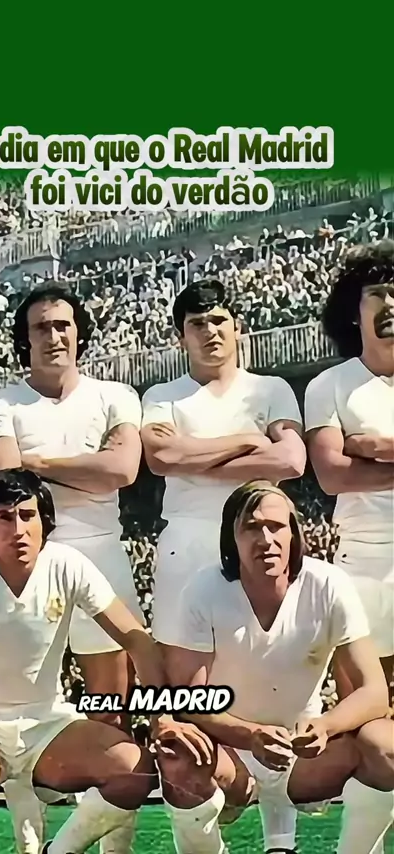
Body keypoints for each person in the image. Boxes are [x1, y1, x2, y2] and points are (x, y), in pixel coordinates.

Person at [0, 468, 210, 854]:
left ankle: (60, 850)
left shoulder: (67, 564)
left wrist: (163, 717)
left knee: (134, 771)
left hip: (47, 726)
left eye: (27, 516)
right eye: (4, 517)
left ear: (45, 522)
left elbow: (137, 640)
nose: (18, 529)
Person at [141, 279, 306, 852]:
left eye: (218, 321)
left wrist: (196, 457)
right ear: (180, 335)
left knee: (271, 668)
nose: (210, 332)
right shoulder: (163, 395)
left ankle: (279, 828)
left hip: (258, 536)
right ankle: (203, 815)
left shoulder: (271, 389)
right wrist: (244, 442)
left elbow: (291, 459)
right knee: (184, 686)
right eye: (196, 324)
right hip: (187, 539)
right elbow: (161, 457)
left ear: (237, 327)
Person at [0, 284, 145, 854]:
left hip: (102, 555)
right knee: (21, 717)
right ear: (24, 339)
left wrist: (38, 462)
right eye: (41, 327)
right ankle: (30, 840)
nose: (53, 336)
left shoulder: (116, 395)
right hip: (28, 563)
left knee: (112, 714)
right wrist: (86, 466)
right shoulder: (2, 403)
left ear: (79, 332)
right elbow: (5, 478)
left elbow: (123, 470)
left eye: (63, 325)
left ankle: (110, 847)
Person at [156, 480, 394, 854]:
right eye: (251, 527)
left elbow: (375, 692)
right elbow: (189, 700)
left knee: (386, 745)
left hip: (305, 755)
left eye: (276, 526)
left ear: (294, 534)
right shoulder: (203, 589)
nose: (265, 539)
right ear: (231, 537)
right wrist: (251, 735)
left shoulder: (328, 584)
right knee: (177, 757)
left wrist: (326, 726)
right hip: (231, 753)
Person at [304, 239, 394, 854]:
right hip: (363, 563)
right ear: (353, 310)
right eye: (377, 293)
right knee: (371, 724)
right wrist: (354, 455)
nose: (390, 304)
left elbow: (353, 460)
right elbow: (333, 474)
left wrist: (375, 448)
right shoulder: (330, 385)